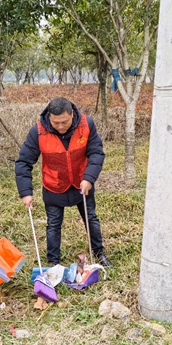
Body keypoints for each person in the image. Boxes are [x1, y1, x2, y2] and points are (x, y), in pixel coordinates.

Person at [15, 97, 113, 268]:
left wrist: (89, 178)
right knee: (53, 225)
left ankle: (99, 253)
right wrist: (26, 192)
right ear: (49, 118)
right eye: (56, 123)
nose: (60, 127)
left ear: (72, 114)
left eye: (64, 122)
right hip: (54, 184)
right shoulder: (38, 131)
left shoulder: (86, 124)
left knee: (91, 219)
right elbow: (23, 162)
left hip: (81, 183)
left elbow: (96, 153)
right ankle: (53, 262)